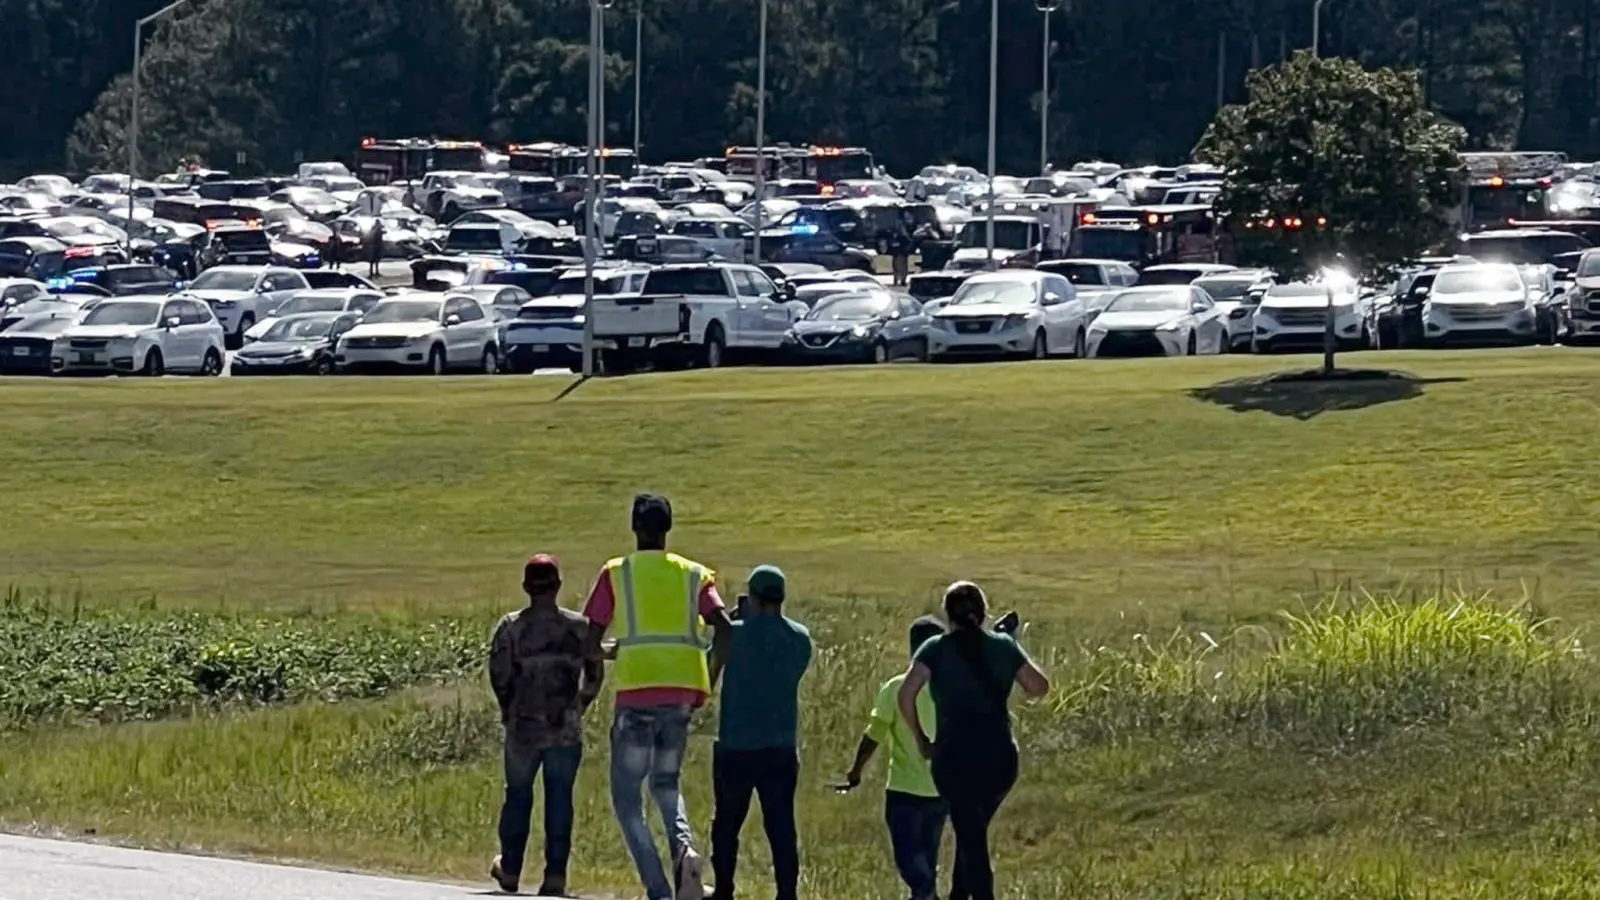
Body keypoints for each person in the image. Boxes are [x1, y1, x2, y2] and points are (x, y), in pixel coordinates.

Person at [584, 494, 734, 900]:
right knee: (667, 784)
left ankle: (658, 889)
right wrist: (710, 677)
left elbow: (589, 636)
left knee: (628, 798)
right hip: (682, 691)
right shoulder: (693, 574)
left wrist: (609, 658)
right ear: (668, 529)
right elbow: (724, 626)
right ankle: (684, 852)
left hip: (636, 692)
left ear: (635, 527)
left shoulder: (617, 572)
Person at [897, 582, 1049, 900]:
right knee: (972, 831)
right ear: (983, 613)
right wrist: (1011, 646)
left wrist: (922, 739)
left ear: (948, 616)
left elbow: (906, 694)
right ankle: (958, 894)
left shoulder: (934, 649)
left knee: (971, 834)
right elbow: (1038, 687)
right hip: (999, 760)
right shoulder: (1003, 646)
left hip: (953, 760)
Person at [488, 554, 603, 897]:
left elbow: (499, 676)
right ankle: (555, 876)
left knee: (518, 796)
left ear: (526, 587)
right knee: (560, 799)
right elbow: (595, 675)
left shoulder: (511, 627)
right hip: (564, 729)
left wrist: (509, 708)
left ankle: (510, 868)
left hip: (523, 729)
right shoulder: (579, 628)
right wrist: (578, 706)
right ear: (558, 586)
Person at [710, 566, 813, 900]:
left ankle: (724, 888)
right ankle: (787, 892)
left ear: (752, 597)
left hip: (736, 745)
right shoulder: (800, 638)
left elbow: (709, 669)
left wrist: (734, 622)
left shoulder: (734, 635)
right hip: (780, 745)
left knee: (727, 825)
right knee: (781, 826)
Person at [839, 615, 949, 900]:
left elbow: (873, 735)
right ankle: (927, 894)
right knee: (927, 856)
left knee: (910, 859)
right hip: (941, 791)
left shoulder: (897, 687)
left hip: (904, 791)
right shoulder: (951, 690)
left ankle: (927, 894)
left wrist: (856, 771)